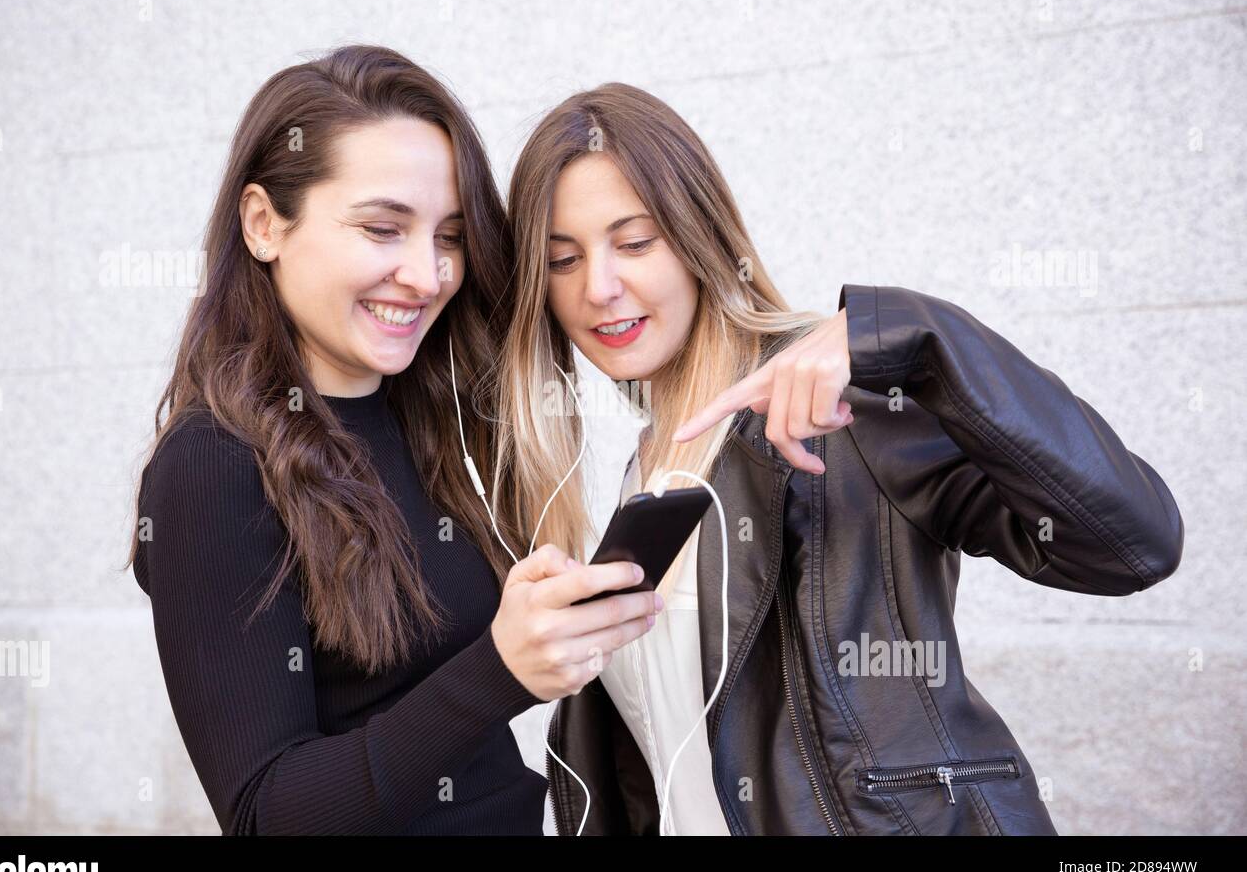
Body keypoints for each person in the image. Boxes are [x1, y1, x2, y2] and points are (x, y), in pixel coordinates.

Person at [496, 82, 1184, 834]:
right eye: (562, 260)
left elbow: (1133, 545)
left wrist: (921, 336)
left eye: (635, 243)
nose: (600, 287)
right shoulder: (643, 470)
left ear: (700, 236)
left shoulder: (841, 408)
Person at [127, 46, 658, 835]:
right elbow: (265, 813)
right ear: (264, 224)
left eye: (448, 236)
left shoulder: (421, 415)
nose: (427, 273)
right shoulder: (213, 466)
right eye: (383, 229)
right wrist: (500, 670)